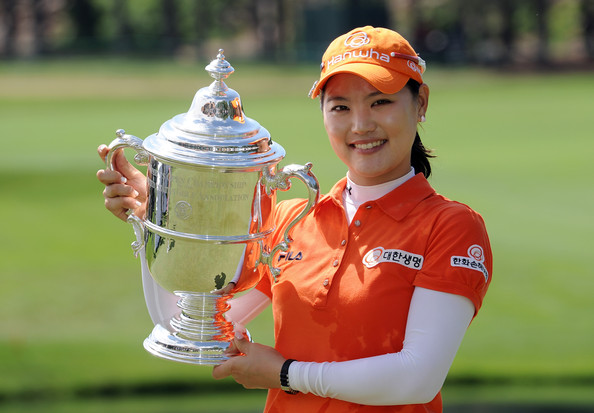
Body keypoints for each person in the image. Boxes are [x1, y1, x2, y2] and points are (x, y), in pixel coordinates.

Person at [97, 26, 492, 413]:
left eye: (380, 102)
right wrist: (159, 223)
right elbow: (186, 326)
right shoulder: (291, 219)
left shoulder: (451, 227)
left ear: (420, 102)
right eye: (340, 107)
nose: (360, 125)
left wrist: (287, 374)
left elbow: (418, 377)